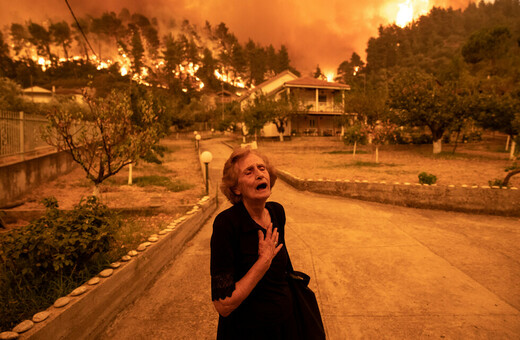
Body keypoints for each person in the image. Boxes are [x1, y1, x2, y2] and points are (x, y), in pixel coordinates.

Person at [210, 147, 299, 339]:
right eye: (249, 171)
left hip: (286, 326)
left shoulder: (277, 212)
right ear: (236, 187)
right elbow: (223, 305)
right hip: (247, 331)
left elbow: (283, 272)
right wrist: (262, 263)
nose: (259, 174)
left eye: (262, 168)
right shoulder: (226, 224)